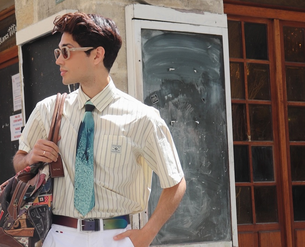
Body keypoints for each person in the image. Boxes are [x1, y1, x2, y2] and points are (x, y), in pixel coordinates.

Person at [13, 12, 186, 247]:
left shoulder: (142, 118)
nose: (58, 60)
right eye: (58, 52)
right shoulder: (48, 110)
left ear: (96, 54)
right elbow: (19, 162)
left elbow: (175, 182)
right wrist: (31, 156)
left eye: (66, 51)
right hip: (59, 235)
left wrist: (148, 233)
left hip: (114, 237)